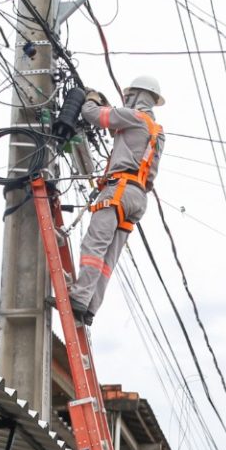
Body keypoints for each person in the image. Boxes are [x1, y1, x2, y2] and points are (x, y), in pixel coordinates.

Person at [70, 75, 167, 326]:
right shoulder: (156, 130)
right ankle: (90, 308)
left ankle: (80, 298)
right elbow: (117, 128)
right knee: (109, 258)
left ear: (136, 95)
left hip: (119, 190)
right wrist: (112, 107)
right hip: (138, 198)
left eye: (129, 96)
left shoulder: (133, 117)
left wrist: (91, 98)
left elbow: (93, 115)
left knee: (94, 247)